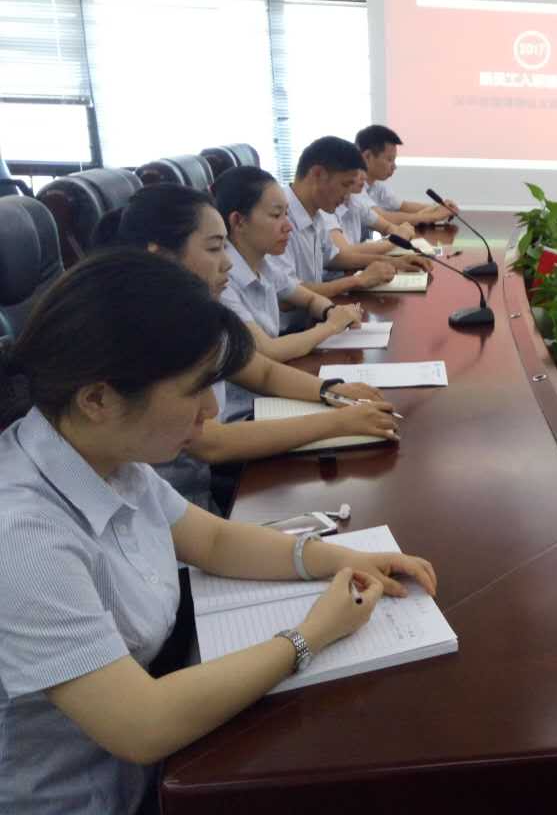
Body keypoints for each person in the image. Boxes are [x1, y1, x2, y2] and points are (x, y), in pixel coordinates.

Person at [0, 249, 437, 815]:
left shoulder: (106, 456)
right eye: (195, 389)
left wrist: (339, 557)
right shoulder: (23, 536)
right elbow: (142, 724)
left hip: (157, 770)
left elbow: (214, 541)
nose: (211, 408)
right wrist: (311, 635)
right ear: (98, 398)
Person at [91, 185, 399, 508]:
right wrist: (339, 422)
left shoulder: (196, 313)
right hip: (186, 502)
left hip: (196, 496)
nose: (227, 263)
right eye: (214, 249)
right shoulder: (144, 331)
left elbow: (262, 372)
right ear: (161, 256)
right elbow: (212, 442)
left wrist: (332, 391)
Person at [214, 166, 372, 362]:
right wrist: (331, 326)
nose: (288, 226)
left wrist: (331, 311)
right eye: (276, 215)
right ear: (238, 221)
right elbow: (269, 350)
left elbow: (310, 299)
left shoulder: (264, 265)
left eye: (286, 214)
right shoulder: (222, 281)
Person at [277, 136, 429, 301]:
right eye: (345, 185)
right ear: (318, 174)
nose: (347, 195)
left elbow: (335, 257)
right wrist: (358, 280)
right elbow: (286, 295)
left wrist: (394, 262)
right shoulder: (277, 217)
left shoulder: (317, 213)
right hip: (296, 318)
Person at [356, 124, 459, 226]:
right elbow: (382, 218)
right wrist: (434, 216)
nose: (394, 166)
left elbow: (403, 206)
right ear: (367, 156)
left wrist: (439, 208)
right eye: (389, 159)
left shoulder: (376, 185)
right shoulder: (353, 186)